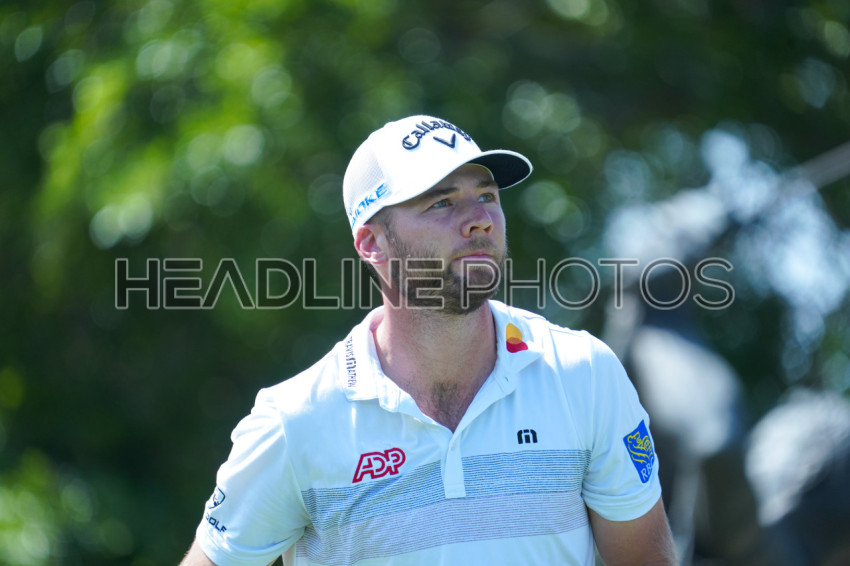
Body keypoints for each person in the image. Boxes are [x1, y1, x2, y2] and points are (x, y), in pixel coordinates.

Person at [180, 115, 677, 566]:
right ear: (372, 243)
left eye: (487, 196)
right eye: (442, 202)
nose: (480, 219)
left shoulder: (584, 374)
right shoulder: (296, 422)